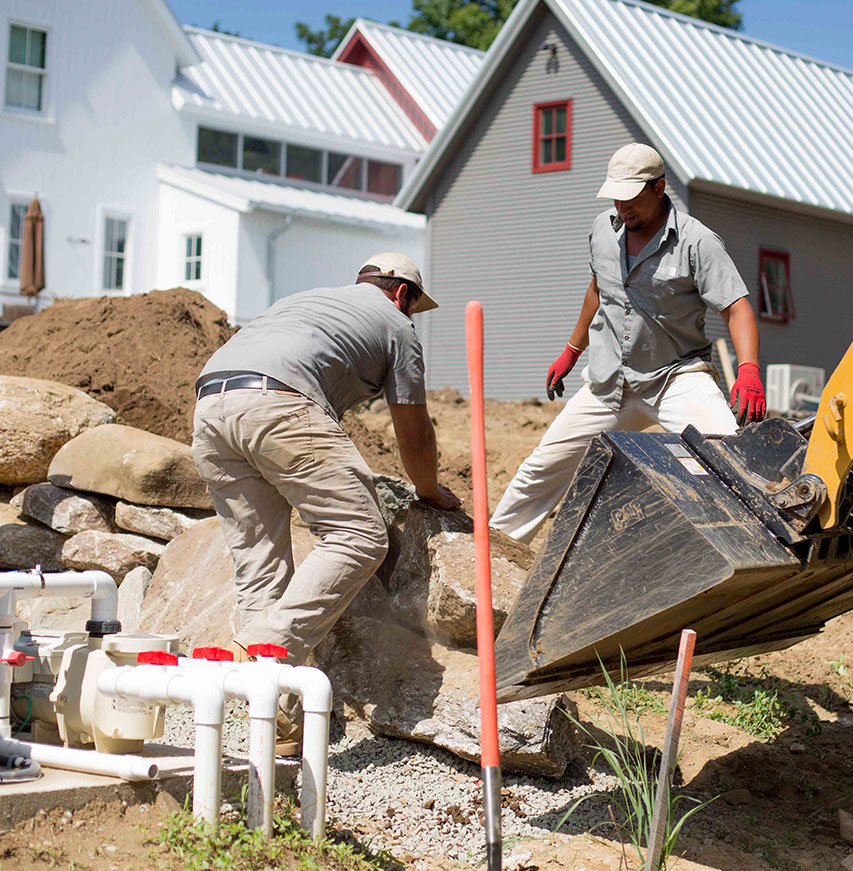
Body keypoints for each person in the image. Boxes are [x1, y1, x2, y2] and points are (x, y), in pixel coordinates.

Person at [191, 252, 460, 699]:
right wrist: (429, 491)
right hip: (278, 400)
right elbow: (413, 432)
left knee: (261, 568)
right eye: (413, 305)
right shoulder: (397, 326)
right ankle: (262, 648)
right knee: (358, 534)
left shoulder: (308, 302)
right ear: (401, 293)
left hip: (210, 407)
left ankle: (276, 722)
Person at [490, 143, 765, 544]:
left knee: (729, 459)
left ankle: (760, 546)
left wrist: (749, 369)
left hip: (674, 376)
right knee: (540, 469)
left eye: (632, 197)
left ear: (658, 188)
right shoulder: (603, 229)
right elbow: (598, 290)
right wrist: (572, 350)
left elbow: (737, 308)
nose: (623, 208)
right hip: (609, 381)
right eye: (617, 197)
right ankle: (492, 553)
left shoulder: (696, 242)